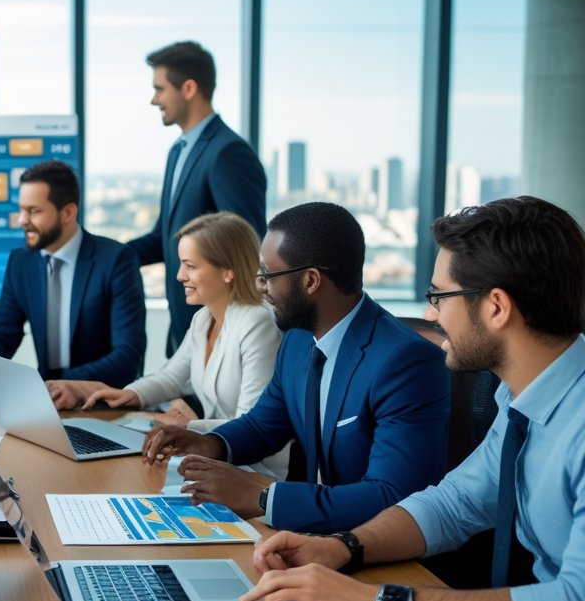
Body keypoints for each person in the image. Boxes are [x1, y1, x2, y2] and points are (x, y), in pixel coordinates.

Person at [241, 196, 585, 601]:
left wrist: (378, 599)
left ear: (495, 307)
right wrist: (343, 548)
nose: (430, 314)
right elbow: (453, 503)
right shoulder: (519, 398)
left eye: (439, 295)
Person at [142, 202, 450, 534]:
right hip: (307, 537)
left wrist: (262, 498)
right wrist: (209, 443)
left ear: (310, 281)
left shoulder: (404, 363)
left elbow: (391, 496)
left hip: (373, 549)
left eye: (268, 275)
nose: (261, 287)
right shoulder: (298, 341)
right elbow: (264, 426)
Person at [73, 213, 281, 459]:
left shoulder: (257, 324)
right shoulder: (204, 318)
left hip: (253, 466)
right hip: (215, 457)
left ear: (228, 271)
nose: (179, 275)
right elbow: (172, 377)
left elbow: (251, 423)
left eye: (190, 266)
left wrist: (190, 426)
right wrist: (131, 394)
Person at [127, 41, 266, 356]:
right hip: (186, 329)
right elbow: (163, 238)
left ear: (188, 88)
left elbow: (246, 245)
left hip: (222, 336)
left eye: (159, 89)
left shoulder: (229, 153)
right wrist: (102, 255)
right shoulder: (178, 152)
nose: (154, 99)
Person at [0, 160, 147, 396]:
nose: (22, 220)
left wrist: (58, 384)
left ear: (68, 213)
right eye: (22, 209)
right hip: (48, 400)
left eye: (34, 211)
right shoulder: (21, 262)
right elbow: (3, 334)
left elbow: (127, 358)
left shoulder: (116, 260)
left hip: (102, 402)